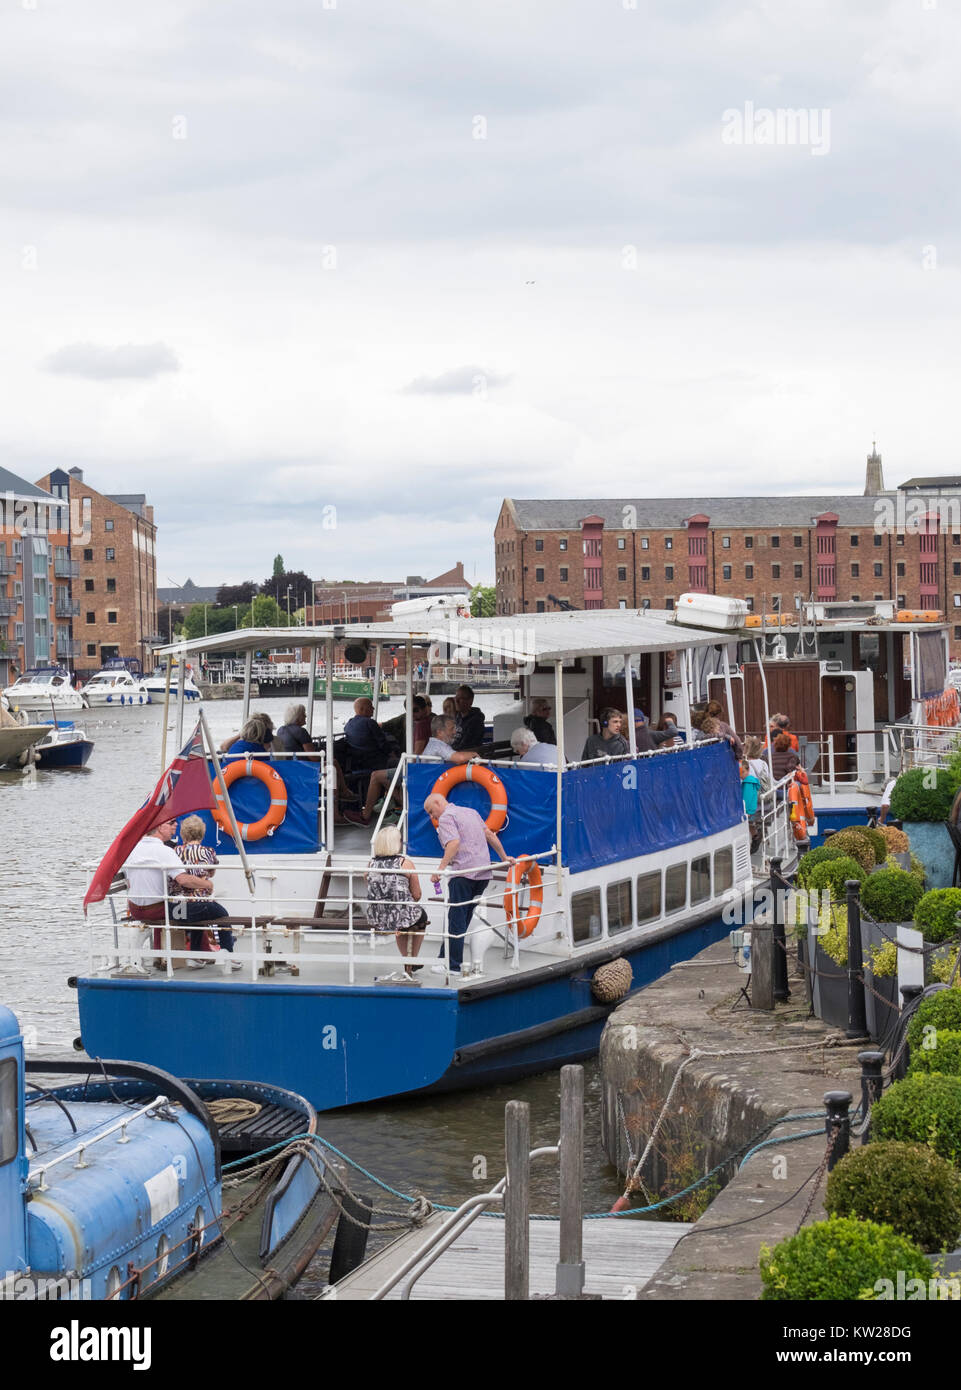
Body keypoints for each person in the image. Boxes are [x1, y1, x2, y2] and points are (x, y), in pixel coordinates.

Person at [123, 817, 231, 971]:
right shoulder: (164, 851)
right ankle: (229, 957)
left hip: (135, 909)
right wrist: (208, 884)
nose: (175, 825)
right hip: (161, 910)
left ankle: (196, 955)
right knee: (217, 911)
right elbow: (184, 880)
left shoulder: (132, 849)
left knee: (196, 909)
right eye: (170, 823)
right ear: (160, 827)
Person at [424, 792, 513, 976]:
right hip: (483, 875)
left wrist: (440, 869)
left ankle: (453, 966)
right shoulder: (471, 812)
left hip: (464, 874)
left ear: (439, 803)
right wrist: (504, 857)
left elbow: (454, 843)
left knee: (456, 919)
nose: (432, 816)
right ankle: (444, 958)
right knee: (462, 918)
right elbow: (489, 834)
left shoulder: (447, 817)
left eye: (432, 811)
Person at [176, 815, 241, 968]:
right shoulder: (208, 852)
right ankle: (228, 955)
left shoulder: (176, 851)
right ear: (202, 833)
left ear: (183, 833)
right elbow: (211, 872)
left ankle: (194, 955)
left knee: (200, 918)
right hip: (200, 901)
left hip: (180, 904)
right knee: (223, 916)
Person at [365, 826, 428, 978]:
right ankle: (411, 960)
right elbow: (417, 894)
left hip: (378, 917)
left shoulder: (370, 865)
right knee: (420, 917)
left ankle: (407, 959)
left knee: (398, 920)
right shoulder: (405, 863)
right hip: (402, 915)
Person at [343, 696, 394, 771]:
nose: (373, 709)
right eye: (371, 706)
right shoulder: (370, 722)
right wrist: (393, 754)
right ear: (362, 709)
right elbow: (383, 744)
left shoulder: (349, 724)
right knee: (399, 763)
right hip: (375, 761)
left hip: (356, 762)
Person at [451, 685, 486, 753]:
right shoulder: (457, 717)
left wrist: (448, 751)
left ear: (470, 700)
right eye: (456, 697)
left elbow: (466, 746)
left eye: (461, 698)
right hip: (455, 754)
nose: (456, 701)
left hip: (467, 758)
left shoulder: (476, 721)